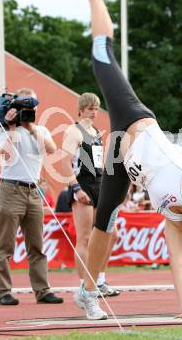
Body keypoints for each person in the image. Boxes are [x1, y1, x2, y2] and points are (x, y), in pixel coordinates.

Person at [59, 0, 182, 320]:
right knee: (101, 56)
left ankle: (87, 293)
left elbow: (177, 264)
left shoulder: (176, 218)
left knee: (104, 222)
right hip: (134, 120)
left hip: (120, 155)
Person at [0, 88, 63, 306]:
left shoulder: (40, 130)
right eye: (24, 106)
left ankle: (42, 290)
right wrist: (13, 126)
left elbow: (51, 149)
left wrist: (31, 127)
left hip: (34, 191)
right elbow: (6, 153)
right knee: (5, 246)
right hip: (10, 190)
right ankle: (3, 291)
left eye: (31, 106)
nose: (29, 110)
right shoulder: (5, 129)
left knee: (37, 246)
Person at [62, 92, 120, 308]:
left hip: (99, 184)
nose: (94, 113)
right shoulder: (73, 131)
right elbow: (65, 163)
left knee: (108, 235)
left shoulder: (96, 132)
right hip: (82, 185)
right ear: (81, 109)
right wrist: (75, 188)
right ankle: (83, 285)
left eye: (96, 109)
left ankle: (100, 279)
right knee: (85, 238)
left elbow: (100, 163)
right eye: (90, 109)